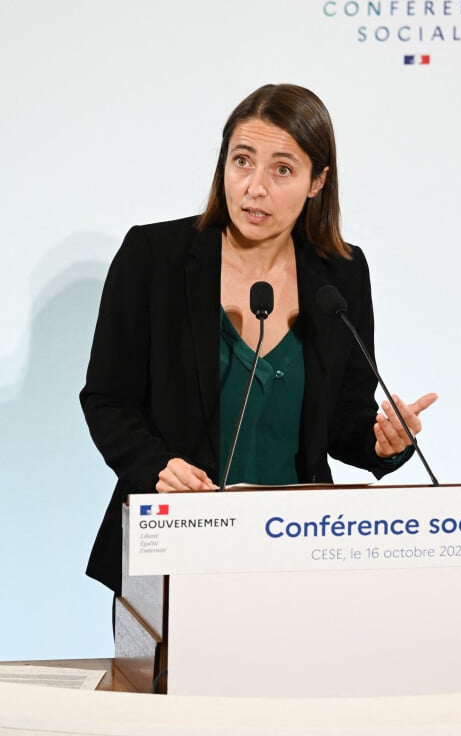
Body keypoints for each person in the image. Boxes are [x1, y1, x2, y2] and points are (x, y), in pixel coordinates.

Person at [80, 83, 437, 594]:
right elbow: (108, 399)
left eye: (283, 169)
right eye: (242, 161)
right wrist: (157, 467)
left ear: (318, 181)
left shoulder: (342, 274)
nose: (255, 187)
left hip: (297, 552)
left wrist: (385, 443)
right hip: (173, 548)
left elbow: (343, 420)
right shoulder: (153, 257)